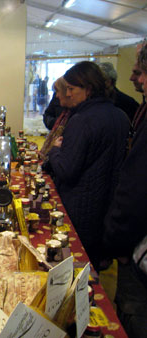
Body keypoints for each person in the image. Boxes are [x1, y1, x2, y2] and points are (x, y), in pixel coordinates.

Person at [45, 61, 130, 269]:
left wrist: (55, 150)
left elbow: (66, 170)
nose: (69, 94)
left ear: (89, 89)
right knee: (92, 268)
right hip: (107, 209)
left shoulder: (81, 120)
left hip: (80, 210)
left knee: (73, 268)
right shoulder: (120, 116)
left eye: (72, 89)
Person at [103, 45, 147, 338]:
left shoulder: (127, 106)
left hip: (137, 249)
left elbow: (134, 187)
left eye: (141, 72)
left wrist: (116, 241)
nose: (138, 80)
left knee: (134, 317)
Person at [39, 77, 72, 159]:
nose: (57, 95)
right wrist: (54, 123)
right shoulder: (56, 99)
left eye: (58, 91)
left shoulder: (76, 116)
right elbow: (47, 114)